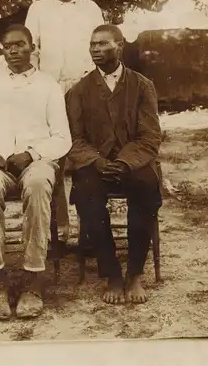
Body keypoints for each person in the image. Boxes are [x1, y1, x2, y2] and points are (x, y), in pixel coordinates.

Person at [0, 24, 72, 320]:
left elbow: (62, 137)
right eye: (7, 46)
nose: (13, 51)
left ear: (32, 47)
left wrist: (32, 154)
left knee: (39, 184)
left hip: (36, 161)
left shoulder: (48, 84)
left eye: (19, 45)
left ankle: (34, 279)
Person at [66, 24, 162, 305]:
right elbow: (74, 137)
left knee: (145, 187)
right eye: (92, 44)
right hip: (95, 164)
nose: (95, 49)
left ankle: (134, 273)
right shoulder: (79, 91)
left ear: (120, 46)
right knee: (87, 196)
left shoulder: (142, 85)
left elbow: (150, 136)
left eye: (103, 44)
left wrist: (124, 162)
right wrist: (96, 161)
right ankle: (112, 274)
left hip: (132, 163)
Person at [25, 0, 104, 243]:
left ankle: (89, 230)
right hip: (49, 88)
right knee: (52, 157)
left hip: (84, 88)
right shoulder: (39, 9)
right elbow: (32, 50)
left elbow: (99, 47)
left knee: (84, 155)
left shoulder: (91, 9)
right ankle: (58, 229)